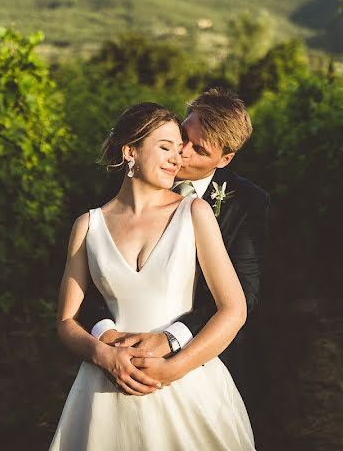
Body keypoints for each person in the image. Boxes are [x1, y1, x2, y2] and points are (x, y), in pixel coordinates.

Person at [50, 102, 255, 449]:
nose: (177, 158)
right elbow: (66, 321)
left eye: (180, 149)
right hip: (106, 388)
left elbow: (234, 309)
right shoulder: (87, 226)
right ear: (130, 151)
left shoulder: (195, 212)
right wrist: (102, 355)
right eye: (165, 147)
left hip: (185, 385)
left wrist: (173, 369)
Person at [78, 88, 269, 408]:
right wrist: (108, 336)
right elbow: (98, 266)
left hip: (197, 360)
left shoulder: (247, 202)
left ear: (224, 159)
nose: (182, 154)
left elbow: (243, 295)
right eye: (183, 137)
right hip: (118, 360)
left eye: (199, 150)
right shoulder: (130, 178)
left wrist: (171, 341)